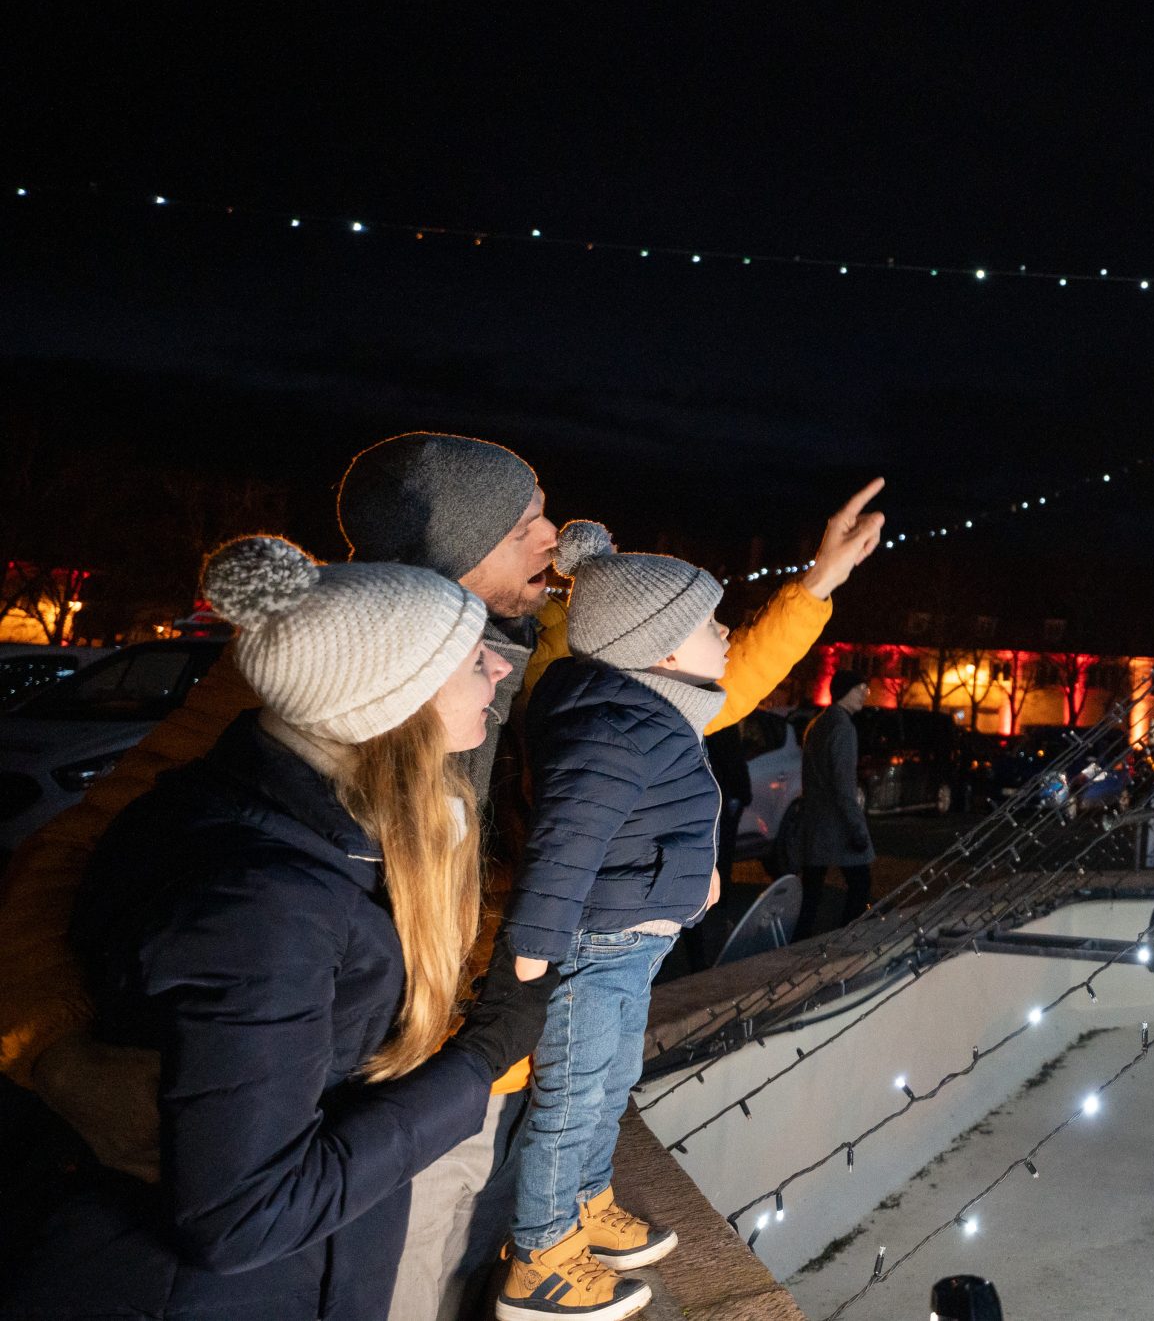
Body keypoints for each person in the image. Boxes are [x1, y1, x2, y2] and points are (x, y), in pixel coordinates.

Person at [0, 433, 886, 1321]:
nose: (553, 537)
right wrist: (58, 1052)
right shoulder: (311, 676)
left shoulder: (540, 649)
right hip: (391, 1096)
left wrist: (815, 587)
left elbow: (679, 682)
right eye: (522, 523)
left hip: (510, 1057)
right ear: (448, 548)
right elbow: (78, 856)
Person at [0, 538, 553, 1321]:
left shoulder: (320, 825)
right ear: (392, 705)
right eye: (473, 660)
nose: (498, 669)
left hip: (298, 1272)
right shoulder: (264, 905)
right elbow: (243, 1216)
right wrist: (482, 1056)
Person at [492, 523, 730, 1319]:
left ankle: (585, 1205)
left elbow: (658, 818)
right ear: (661, 646)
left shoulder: (648, 711)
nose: (726, 632)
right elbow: (568, 840)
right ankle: (540, 1259)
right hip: (597, 941)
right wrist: (535, 943)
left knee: (609, 1082)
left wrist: (696, 874)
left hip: (632, 940)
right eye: (710, 622)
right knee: (571, 1095)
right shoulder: (615, 723)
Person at [791, 693, 874, 941]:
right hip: (838, 822)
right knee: (860, 882)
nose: (865, 695)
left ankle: (798, 942)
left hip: (815, 819)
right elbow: (844, 785)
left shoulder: (818, 723)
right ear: (846, 692)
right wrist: (857, 829)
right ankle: (844, 939)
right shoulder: (842, 727)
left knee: (812, 890)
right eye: (860, 689)